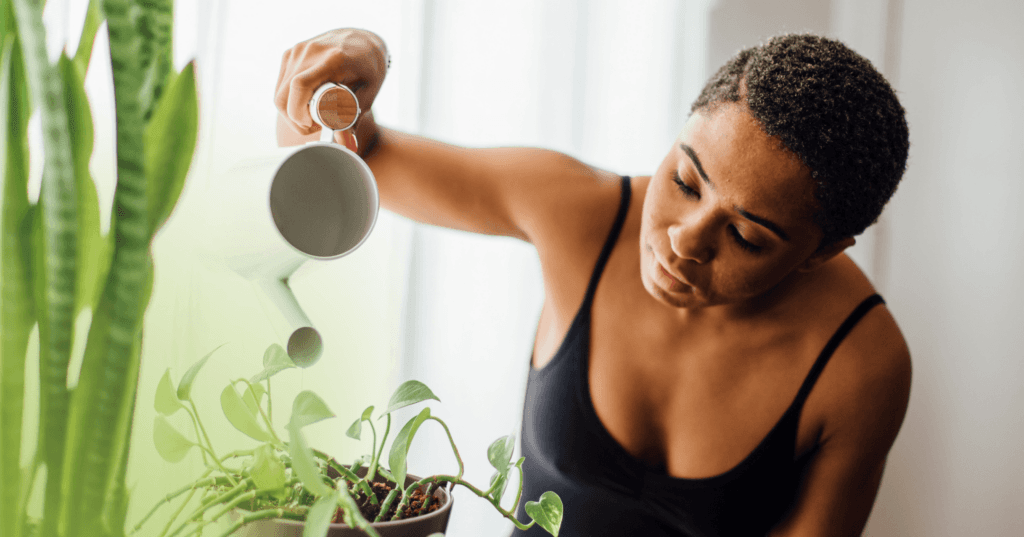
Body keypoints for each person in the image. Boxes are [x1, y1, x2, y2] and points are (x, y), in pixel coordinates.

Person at [275, 29, 912, 537]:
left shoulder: (860, 365)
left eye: (747, 237)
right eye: (685, 181)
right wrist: (361, 56)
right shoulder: (581, 215)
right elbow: (346, 161)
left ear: (822, 252)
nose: (685, 239)